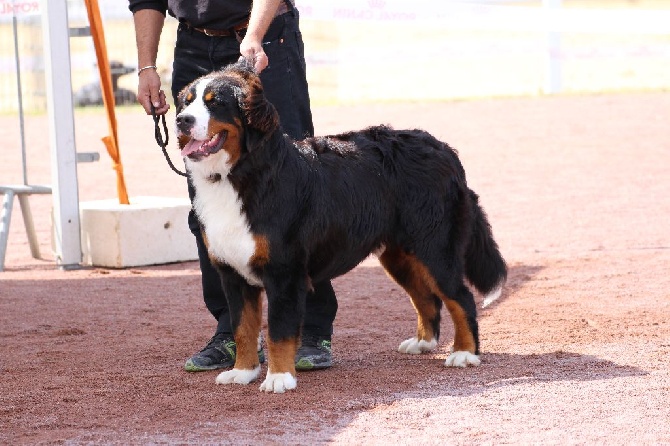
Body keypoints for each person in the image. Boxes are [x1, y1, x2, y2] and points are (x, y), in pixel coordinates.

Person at [128, 0, 337, 372]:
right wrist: (147, 66)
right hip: (193, 45)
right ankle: (232, 330)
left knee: (295, 193)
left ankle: (311, 328)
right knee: (208, 206)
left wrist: (254, 37)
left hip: (263, 37)